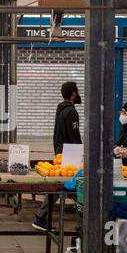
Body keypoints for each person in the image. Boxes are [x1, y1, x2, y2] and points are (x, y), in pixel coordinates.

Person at [32, 82, 82, 231]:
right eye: (77, 91)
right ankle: (83, 220)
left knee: (62, 184)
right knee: (75, 183)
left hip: (61, 152)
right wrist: (80, 154)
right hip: (70, 155)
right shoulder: (71, 112)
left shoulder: (60, 110)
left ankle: (41, 216)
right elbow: (74, 136)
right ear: (73, 94)